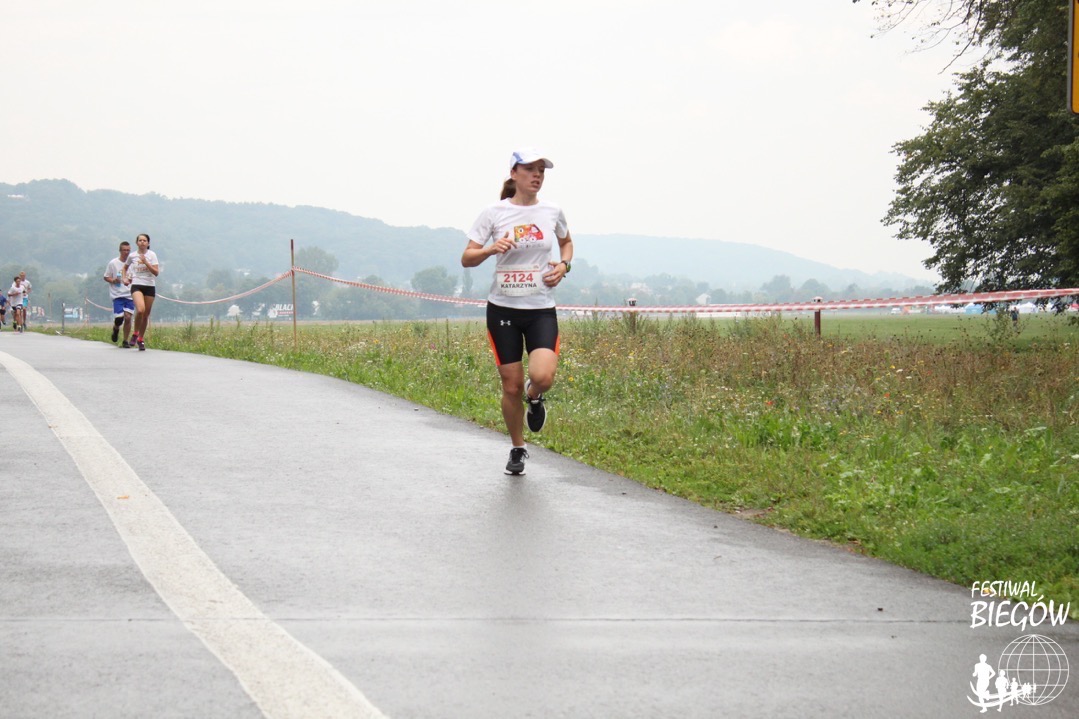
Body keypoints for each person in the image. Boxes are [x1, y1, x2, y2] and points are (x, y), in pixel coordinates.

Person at [461, 148, 574, 475]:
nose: (537, 176)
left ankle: (534, 396)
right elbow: (466, 258)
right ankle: (518, 447)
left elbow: (566, 243)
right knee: (510, 385)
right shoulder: (493, 213)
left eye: (541, 171)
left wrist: (564, 265)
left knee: (542, 377)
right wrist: (490, 249)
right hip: (503, 310)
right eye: (530, 170)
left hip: (540, 309)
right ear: (514, 174)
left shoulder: (552, 211)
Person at [123, 233, 160, 351]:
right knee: (140, 310)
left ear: (148, 243)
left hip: (149, 285)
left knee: (146, 315)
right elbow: (125, 267)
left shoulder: (152, 255)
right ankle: (135, 333)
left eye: (144, 240)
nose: (142, 242)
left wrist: (146, 262)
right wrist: (124, 278)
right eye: (140, 240)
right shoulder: (132, 256)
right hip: (137, 285)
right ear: (137, 243)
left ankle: (140, 339)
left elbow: (156, 272)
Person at [104, 241, 136, 347]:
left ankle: (125, 340)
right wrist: (113, 280)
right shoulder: (113, 263)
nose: (126, 252)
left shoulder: (133, 264)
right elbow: (106, 277)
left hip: (130, 295)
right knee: (119, 318)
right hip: (117, 295)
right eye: (124, 250)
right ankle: (116, 328)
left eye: (128, 250)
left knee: (128, 317)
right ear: (120, 251)